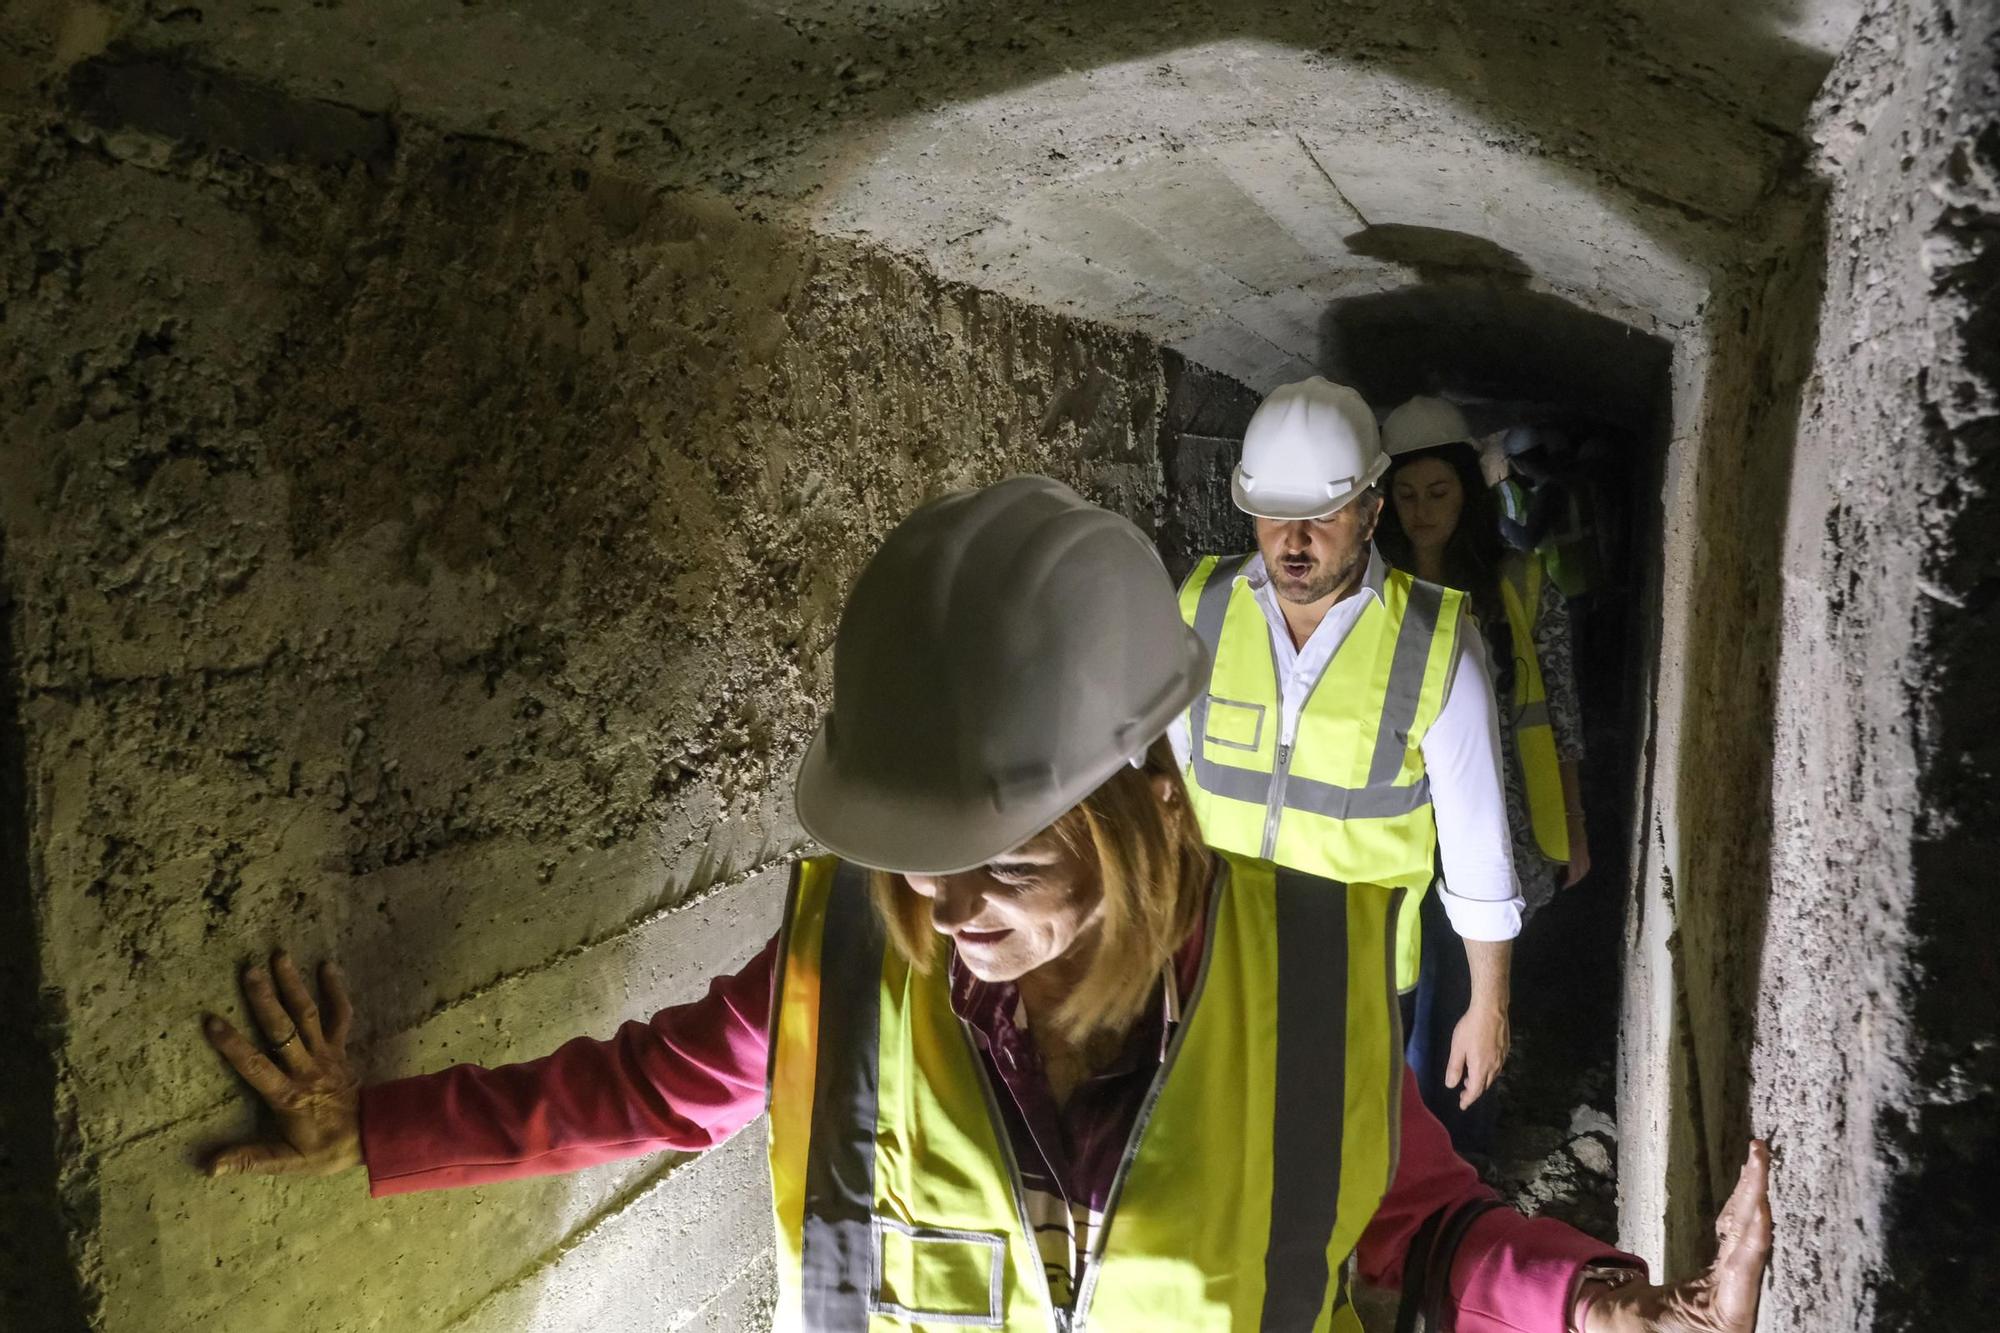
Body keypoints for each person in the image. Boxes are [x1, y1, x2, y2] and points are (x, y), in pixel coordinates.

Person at [198, 476, 1770, 1333]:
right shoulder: (846, 947)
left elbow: (1417, 1234)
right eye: (915, 852)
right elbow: (636, 1091)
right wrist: (379, 1129)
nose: (941, 905)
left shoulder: (1309, 979)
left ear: (1155, 808)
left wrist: (1605, 1302)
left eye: (1004, 858)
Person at [1169, 377, 1520, 1112]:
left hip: (1358, 986)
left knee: (1330, 1188)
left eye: (1322, 515)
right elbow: (1158, 792)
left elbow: (1477, 842)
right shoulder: (1200, 609)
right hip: (1212, 962)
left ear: (1370, 512)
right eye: (1272, 515)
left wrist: (1486, 1004)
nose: (1292, 543)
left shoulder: (1435, 643)